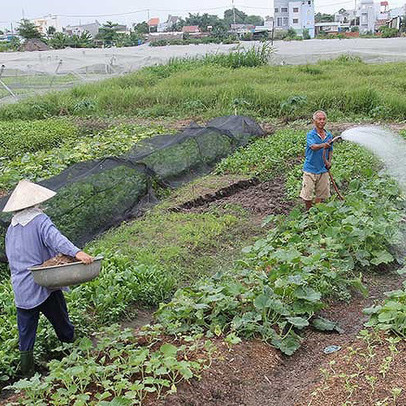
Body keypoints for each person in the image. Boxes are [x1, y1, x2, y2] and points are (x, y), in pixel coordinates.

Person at [2, 179, 94, 377]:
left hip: (21, 287)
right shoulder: (39, 220)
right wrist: (77, 253)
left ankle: (26, 371)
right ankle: (73, 355)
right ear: (35, 202)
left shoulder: (12, 228)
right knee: (61, 320)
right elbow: (56, 239)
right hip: (43, 283)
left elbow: (11, 256)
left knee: (26, 331)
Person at [300, 110, 333, 210]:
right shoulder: (310, 135)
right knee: (307, 192)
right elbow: (313, 147)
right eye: (319, 119)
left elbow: (330, 150)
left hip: (323, 168)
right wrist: (323, 145)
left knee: (321, 193)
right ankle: (308, 211)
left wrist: (329, 162)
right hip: (310, 168)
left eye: (323, 119)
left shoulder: (329, 135)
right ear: (314, 121)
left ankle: (317, 211)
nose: (322, 121)